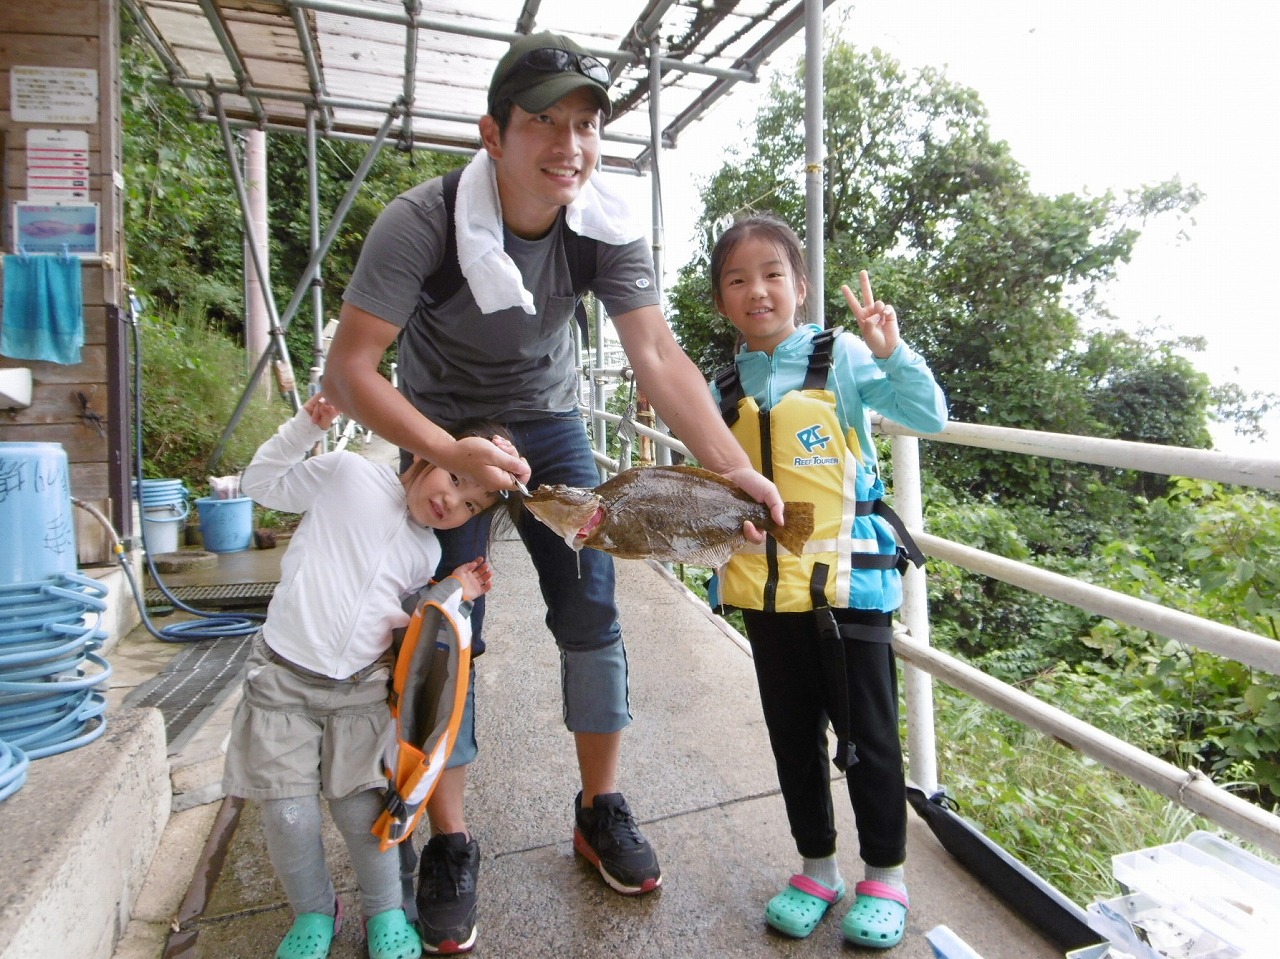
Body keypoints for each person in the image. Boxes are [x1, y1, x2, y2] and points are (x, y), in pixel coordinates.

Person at [323, 27, 786, 955]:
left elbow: (654, 352)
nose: (568, 145)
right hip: (441, 424)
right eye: (544, 122)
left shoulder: (603, 222)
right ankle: (452, 841)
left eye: (585, 123)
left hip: (551, 423)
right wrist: (440, 448)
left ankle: (599, 806)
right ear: (493, 134)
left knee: (591, 611)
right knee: (443, 630)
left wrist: (729, 465)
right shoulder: (421, 222)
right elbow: (351, 372)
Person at [706, 213, 948, 949]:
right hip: (764, 592)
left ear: (801, 286)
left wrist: (891, 350)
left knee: (870, 736)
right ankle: (817, 865)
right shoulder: (720, 385)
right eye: (738, 280)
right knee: (790, 736)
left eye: (773, 274)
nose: (758, 291)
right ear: (721, 299)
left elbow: (928, 415)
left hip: (850, 588)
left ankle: (887, 876)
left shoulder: (838, 355)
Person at [222, 394, 522, 959]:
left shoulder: (425, 551)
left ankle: (384, 910)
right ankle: (314, 912)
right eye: (456, 477)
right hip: (282, 679)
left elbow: (408, 627)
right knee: (288, 814)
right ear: (429, 451)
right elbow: (262, 483)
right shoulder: (347, 474)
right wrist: (303, 428)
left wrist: (456, 589)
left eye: (472, 504)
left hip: (358, 692)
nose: (452, 501)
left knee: (364, 814)